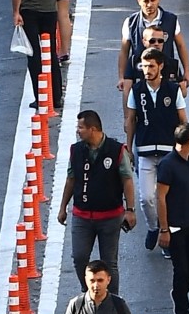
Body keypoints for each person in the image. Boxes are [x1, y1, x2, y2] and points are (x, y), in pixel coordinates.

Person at [57, 107, 137, 280]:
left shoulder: (116, 150)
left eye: (81, 128)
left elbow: (127, 180)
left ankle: (113, 303)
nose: (78, 131)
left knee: (109, 263)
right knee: (79, 258)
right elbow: (71, 179)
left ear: (92, 129)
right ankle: (89, 292)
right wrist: (63, 207)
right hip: (82, 215)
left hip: (110, 217)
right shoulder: (76, 150)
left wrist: (130, 209)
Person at [154, 121, 189, 314]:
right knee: (181, 269)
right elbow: (161, 197)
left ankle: (179, 293)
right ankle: (183, 312)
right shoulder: (168, 164)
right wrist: (164, 229)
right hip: (174, 226)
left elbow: (186, 189)